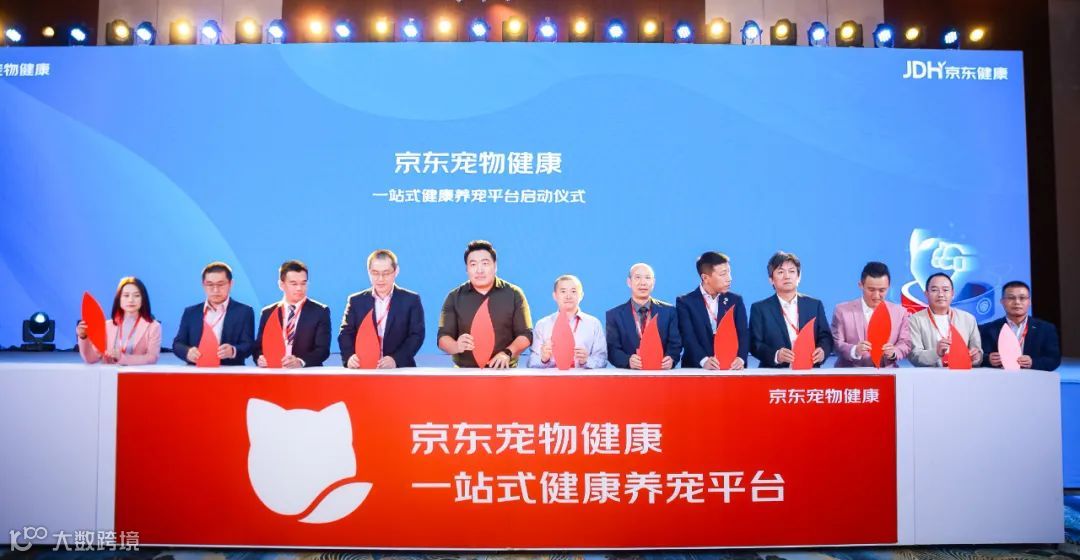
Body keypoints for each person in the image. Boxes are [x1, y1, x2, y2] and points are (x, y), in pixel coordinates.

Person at [437, 240, 532, 368]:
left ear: (495, 266)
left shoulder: (514, 294)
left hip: (504, 371)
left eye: (485, 263)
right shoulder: (454, 297)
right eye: (473, 264)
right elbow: (442, 337)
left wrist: (507, 353)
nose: (479, 270)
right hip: (464, 371)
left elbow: (526, 335)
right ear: (466, 269)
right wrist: (456, 346)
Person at [338, 249, 425, 368]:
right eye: (375, 273)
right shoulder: (356, 301)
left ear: (396, 271)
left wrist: (396, 359)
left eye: (386, 273)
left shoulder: (411, 300)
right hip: (363, 368)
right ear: (368, 272)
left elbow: (416, 335)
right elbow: (345, 333)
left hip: (399, 369)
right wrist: (349, 357)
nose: (380, 279)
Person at [749, 251, 833, 368]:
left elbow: (826, 337)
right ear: (771, 279)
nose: (787, 276)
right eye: (780, 272)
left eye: (792, 271)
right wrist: (776, 355)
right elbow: (754, 344)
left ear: (799, 277)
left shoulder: (814, 305)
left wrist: (823, 351)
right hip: (774, 372)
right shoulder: (760, 308)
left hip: (809, 370)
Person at [830, 262, 913, 367]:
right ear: (861, 285)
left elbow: (905, 343)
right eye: (871, 289)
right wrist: (854, 350)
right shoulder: (842, 311)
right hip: (850, 372)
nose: (876, 295)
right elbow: (836, 343)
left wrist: (894, 352)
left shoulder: (900, 312)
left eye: (882, 290)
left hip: (887, 372)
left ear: (889, 287)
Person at [172, 261, 255, 366]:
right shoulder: (191, 313)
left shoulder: (244, 312)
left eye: (220, 284)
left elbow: (248, 345)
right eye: (210, 284)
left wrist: (233, 351)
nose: (215, 290)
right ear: (203, 285)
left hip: (230, 369)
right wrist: (187, 352)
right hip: (196, 369)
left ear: (231, 284)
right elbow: (178, 344)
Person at [676, 252, 748, 369]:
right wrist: (704, 361)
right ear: (705, 278)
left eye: (729, 272)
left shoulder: (735, 300)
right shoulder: (685, 302)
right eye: (723, 274)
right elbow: (688, 336)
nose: (729, 278)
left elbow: (743, 333)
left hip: (731, 367)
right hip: (696, 368)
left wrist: (741, 358)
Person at [253, 260, 331, 368]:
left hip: (305, 373)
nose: (299, 288)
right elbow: (258, 348)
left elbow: (322, 350)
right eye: (294, 284)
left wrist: (300, 362)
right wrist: (260, 358)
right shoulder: (268, 312)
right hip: (274, 371)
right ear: (281, 285)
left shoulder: (320, 311)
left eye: (303, 283)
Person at [606, 263, 682, 369]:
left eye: (647, 278)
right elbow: (612, 349)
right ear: (629, 282)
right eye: (637, 277)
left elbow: (675, 344)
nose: (643, 283)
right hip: (630, 374)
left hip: (660, 372)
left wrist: (671, 359)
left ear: (653, 282)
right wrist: (627, 360)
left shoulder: (669, 312)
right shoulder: (614, 315)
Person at [77, 276, 162, 365]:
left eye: (136, 295)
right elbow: (90, 359)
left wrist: (122, 358)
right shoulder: (107, 326)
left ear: (143, 299)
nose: (131, 300)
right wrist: (83, 337)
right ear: (119, 299)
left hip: (137, 373)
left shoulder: (153, 327)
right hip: (110, 373)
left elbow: (152, 358)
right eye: (126, 295)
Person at [528, 275, 607, 369]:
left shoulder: (593, 324)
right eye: (563, 291)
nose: (568, 296)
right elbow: (531, 362)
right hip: (552, 377)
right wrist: (543, 359)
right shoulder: (542, 325)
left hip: (582, 377)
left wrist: (586, 361)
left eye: (573, 291)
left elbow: (602, 360)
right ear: (555, 296)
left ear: (581, 295)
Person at [979, 280, 1061, 371]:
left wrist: (1033, 362)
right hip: (999, 377)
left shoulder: (1046, 329)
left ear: (1029, 301)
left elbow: (1054, 359)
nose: (1017, 302)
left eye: (1022, 298)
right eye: (1011, 298)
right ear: (1002, 301)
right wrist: (988, 359)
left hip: (1033, 378)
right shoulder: (987, 329)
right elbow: (978, 357)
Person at [907, 272, 983, 367]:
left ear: (952, 293)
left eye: (945, 290)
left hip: (962, 373)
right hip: (930, 375)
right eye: (934, 290)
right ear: (926, 294)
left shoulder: (968, 319)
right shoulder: (915, 320)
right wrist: (936, 352)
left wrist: (977, 358)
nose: (941, 294)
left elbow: (977, 352)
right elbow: (914, 356)